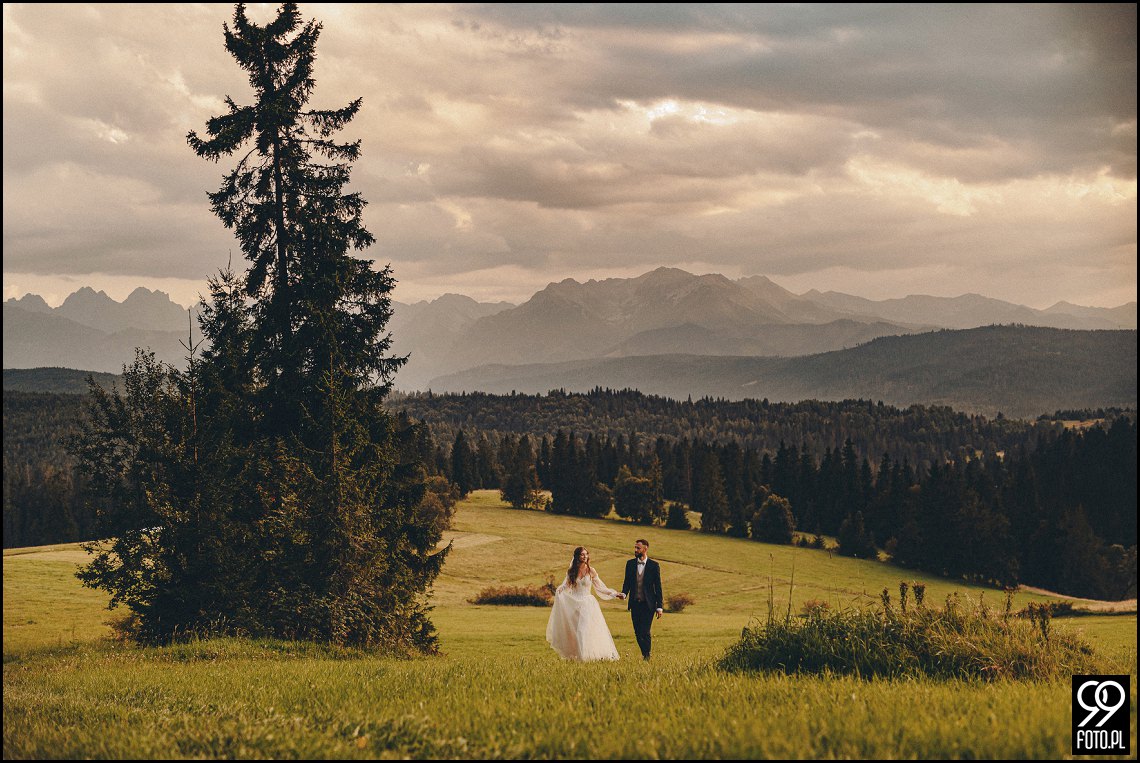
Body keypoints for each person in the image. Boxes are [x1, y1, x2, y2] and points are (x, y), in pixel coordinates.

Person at [546, 546, 626, 661]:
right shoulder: (571, 571)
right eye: (582, 554)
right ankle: (579, 656)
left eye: (586, 554)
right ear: (577, 556)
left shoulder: (591, 571)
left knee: (583, 630)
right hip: (574, 604)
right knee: (574, 631)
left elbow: (600, 587)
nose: (585, 556)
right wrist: (560, 589)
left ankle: (586, 657)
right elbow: (566, 585)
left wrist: (614, 593)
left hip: (588, 604)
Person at [621, 538, 663, 660]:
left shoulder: (654, 566)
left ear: (645, 549)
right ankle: (645, 654)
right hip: (635, 604)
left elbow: (658, 587)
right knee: (637, 632)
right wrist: (624, 594)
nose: (635, 550)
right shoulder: (630, 564)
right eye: (635, 547)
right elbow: (627, 583)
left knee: (645, 631)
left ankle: (646, 656)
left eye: (638, 548)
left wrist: (659, 606)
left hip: (648, 604)